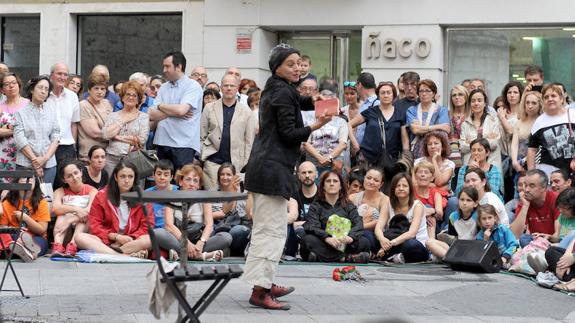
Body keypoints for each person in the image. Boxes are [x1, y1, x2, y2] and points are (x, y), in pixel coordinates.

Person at [242, 44, 331, 310]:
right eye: (291, 64)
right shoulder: (281, 91)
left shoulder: (276, 86)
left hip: (264, 167)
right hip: (272, 169)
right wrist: (316, 125)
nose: (298, 68)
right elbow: (289, 133)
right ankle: (260, 290)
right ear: (277, 67)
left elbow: (294, 100)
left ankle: (264, 282)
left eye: (299, 63)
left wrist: (312, 101)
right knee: (271, 232)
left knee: (266, 230)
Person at [74, 162, 152, 258]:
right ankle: (122, 255)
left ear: (135, 178)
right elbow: (95, 225)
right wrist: (116, 237)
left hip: (131, 241)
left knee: (150, 239)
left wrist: (130, 238)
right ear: (116, 177)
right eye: (122, 176)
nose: (127, 180)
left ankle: (115, 253)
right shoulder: (101, 195)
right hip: (107, 241)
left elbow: (147, 226)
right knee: (79, 237)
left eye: (130, 176)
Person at [155, 164, 231, 261]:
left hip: (198, 241)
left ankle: (185, 254)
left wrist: (201, 242)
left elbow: (209, 225)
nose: (192, 184)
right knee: (158, 233)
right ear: (181, 181)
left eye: (195, 181)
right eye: (188, 179)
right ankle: (201, 256)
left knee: (226, 237)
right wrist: (186, 243)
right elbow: (169, 225)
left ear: (199, 185)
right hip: (179, 239)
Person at [148, 51, 203, 171]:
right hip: (162, 142)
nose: (164, 70)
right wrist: (174, 111)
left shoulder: (192, 86)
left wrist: (160, 106)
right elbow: (151, 114)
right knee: (162, 184)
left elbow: (181, 111)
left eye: (167, 66)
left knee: (181, 184)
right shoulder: (163, 87)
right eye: (164, 66)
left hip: (183, 144)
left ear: (179, 67)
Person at [301, 170, 370, 263]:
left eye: (335, 181)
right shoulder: (316, 205)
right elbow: (311, 226)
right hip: (324, 243)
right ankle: (346, 258)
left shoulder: (348, 205)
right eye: (328, 181)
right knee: (307, 240)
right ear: (323, 186)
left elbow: (358, 223)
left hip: (344, 244)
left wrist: (350, 237)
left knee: (365, 242)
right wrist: (327, 237)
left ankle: (320, 257)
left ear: (341, 186)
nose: (332, 184)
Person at [200, 74, 255, 190]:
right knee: (211, 199)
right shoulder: (209, 108)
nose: (229, 88)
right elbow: (202, 135)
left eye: (232, 85)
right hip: (212, 161)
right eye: (226, 85)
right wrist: (203, 154)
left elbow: (249, 141)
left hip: (236, 164)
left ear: (237, 88)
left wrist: (244, 164)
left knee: (233, 201)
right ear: (221, 88)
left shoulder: (246, 112)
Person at [349, 81, 409, 182]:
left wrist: (406, 158)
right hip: (369, 158)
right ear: (378, 95)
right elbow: (349, 125)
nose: (386, 95)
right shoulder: (371, 111)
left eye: (388, 93)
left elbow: (404, 139)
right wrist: (355, 143)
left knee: (389, 189)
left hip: (392, 160)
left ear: (393, 95)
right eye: (383, 93)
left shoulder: (400, 113)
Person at [13, 75, 60, 183]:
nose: (43, 91)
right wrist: (35, 160)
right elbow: (20, 139)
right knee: (23, 197)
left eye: (46, 89)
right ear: (32, 89)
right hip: (25, 164)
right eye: (40, 87)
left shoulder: (51, 111)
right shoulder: (20, 113)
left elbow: (56, 136)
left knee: (46, 197)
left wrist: (45, 158)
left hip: (49, 164)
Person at [375, 173, 428, 263]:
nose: (401, 188)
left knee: (411, 245)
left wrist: (390, 244)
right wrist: (382, 240)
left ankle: (393, 256)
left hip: (413, 243)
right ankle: (396, 257)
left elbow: (412, 233)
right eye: (398, 186)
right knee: (369, 237)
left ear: (410, 189)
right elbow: (378, 227)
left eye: (404, 186)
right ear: (393, 189)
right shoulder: (388, 204)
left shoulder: (417, 206)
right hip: (392, 242)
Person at [102, 80, 149, 175]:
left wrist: (117, 137)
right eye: (128, 94)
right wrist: (124, 120)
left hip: (135, 160)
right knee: (112, 188)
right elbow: (106, 135)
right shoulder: (113, 116)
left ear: (138, 99)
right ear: (122, 97)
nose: (131, 97)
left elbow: (141, 140)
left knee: (134, 189)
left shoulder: (143, 117)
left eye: (134, 95)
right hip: (112, 159)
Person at [51, 160, 98, 257]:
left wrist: (70, 220)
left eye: (76, 173)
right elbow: (56, 208)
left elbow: (90, 211)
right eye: (69, 176)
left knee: (84, 218)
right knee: (61, 216)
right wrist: (76, 209)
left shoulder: (92, 191)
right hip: (65, 229)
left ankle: (72, 245)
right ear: (64, 179)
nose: (74, 178)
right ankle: (58, 245)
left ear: (81, 172)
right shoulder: (60, 191)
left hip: (83, 230)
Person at [527, 83, 575, 175]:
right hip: (550, 174)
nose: (550, 99)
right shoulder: (539, 122)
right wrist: (531, 174)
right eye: (546, 97)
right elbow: (531, 150)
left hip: (572, 171)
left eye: (553, 96)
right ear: (543, 101)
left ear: (561, 99)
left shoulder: (573, 115)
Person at [0, 175, 50, 261]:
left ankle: (18, 249)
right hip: (14, 235)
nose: (27, 180)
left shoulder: (41, 202)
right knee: (7, 238)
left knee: (39, 244)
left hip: (35, 237)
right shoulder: (7, 202)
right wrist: (13, 230)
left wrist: (26, 218)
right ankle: (24, 250)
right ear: (17, 182)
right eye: (23, 177)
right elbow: (2, 228)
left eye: (31, 178)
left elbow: (42, 230)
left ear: (36, 183)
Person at [46, 63, 80, 187]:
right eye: (59, 73)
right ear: (51, 75)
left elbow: (74, 124)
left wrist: (74, 146)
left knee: (65, 186)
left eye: (65, 74)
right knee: (47, 185)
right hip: (46, 147)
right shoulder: (44, 95)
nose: (62, 77)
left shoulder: (72, 96)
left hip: (66, 147)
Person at [426, 187, 479, 260]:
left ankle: (452, 259)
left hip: (473, 250)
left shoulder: (478, 217)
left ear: (475, 203)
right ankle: (453, 259)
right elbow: (454, 237)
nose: (464, 203)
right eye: (462, 199)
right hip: (458, 248)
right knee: (429, 242)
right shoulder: (453, 217)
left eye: (468, 200)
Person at [510, 169, 559, 247]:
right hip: (534, 244)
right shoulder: (524, 201)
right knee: (520, 241)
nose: (526, 190)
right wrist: (525, 206)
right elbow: (514, 235)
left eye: (532, 186)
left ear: (544, 188)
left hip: (553, 244)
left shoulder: (555, 199)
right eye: (525, 185)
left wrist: (546, 238)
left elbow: (558, 235)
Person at [211, 163, 251, 256]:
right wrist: (218, 214)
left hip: (234, 226)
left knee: (241, 230)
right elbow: (207, 214)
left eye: (228, 175)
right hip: (216, 227)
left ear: (234, 177)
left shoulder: (242, 193)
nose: (225, 177)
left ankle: (229, 252)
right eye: (222, 174)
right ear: (218, 176)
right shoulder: (212, 192)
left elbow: (243, 214)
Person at [459, 88, 502, 171]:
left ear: (485, 103)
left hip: (491, 165)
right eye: (473, 101)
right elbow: (462, 147)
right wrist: (486, 139)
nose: (476, 103)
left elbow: (494, 143)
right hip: (471, 165)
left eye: (479, 100)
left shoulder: (493, 120)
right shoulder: (465, 123)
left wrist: (472, 142)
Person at [406, 79, 450, 159]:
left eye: (427, 91)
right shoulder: (412, 110)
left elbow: (446, 129)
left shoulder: (441, 110)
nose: (424, 94)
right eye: (421, 91)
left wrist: (422, 128)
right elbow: (416, 130)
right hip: (417, 149)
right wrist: (437, 126)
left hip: (436, 149)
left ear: (433, 93)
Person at [349, 167, 389, 254]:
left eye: (376, 180)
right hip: (353, 233)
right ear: (364, 178)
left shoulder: (385, 200)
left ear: (381, 184)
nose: (371, 182)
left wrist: (360, 225)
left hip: (376, 236)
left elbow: (380, 223)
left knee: (364, 234)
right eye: (368, 178)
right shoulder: (352, 197)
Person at [77, 73, 113, 162]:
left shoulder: (106, 103)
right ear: (89, 90)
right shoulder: (83, 105)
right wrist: (118, 136)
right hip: (89, 155)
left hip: (106, 153)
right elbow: (95, 133)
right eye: (96, 88)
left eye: (103, 89)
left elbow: (115, 123)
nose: (100, 92)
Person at [287, 161, 318, 258]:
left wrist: (302, 223)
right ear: (298, 176)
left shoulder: (323, 195)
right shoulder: (293, 196)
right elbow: (291, 222)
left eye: (310, 172)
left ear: (316, 174)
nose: (307, 175)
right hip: (297, 235)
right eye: (304, 173)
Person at [0, 73, 29, 171]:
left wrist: (6, 128)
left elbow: (32, 129)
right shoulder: (0, 107)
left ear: (19, 85)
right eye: (6, 84)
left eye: (13, 82)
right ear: (2, 90)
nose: (11, 86)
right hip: (3, 155)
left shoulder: (29, 104)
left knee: (24, 184)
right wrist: (18, 129)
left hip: (26, 153)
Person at [413, 160, 446, 238]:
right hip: (414, 223)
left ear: (432, 178)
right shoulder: (411, 191)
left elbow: (439, 213)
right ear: (415, 176)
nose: (423, 175)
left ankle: (431, 244)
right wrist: (426, 213)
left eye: (426, 172)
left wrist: (431, 211)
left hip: (434, 226)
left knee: (429, 211)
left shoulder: (435, 193)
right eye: (420, 172)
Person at [510, 91, 543, 173]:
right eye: (527, 103)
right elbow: (514, 144)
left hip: (538, 164)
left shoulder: (543, 122)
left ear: (540, 105)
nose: (530, 106)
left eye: (534, 103)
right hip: (519, 164)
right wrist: (514, 162)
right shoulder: (519, 122)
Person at [352, 72, 379, 147]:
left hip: (370, 150)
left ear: (360, 85)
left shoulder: (377, 104)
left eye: (356, 85)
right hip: (360, 150)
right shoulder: (364, 104)